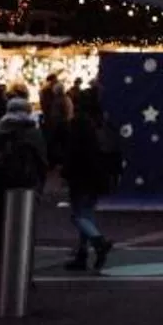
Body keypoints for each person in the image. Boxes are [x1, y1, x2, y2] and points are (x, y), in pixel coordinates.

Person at [0, 86, 49, 298]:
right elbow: (42, 162)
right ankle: (22, 276)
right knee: (24, 232)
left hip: (1, 186)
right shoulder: (33, 132)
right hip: (26, 186)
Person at [57, 88, 120, 273]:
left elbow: (73, 152)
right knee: (87, 213)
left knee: (78, 215)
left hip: (81, 175)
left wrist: (65, 172)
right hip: (98, 175)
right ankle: (83, 252)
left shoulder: (79, 124)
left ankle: (97, 242)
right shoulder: (101, 122)